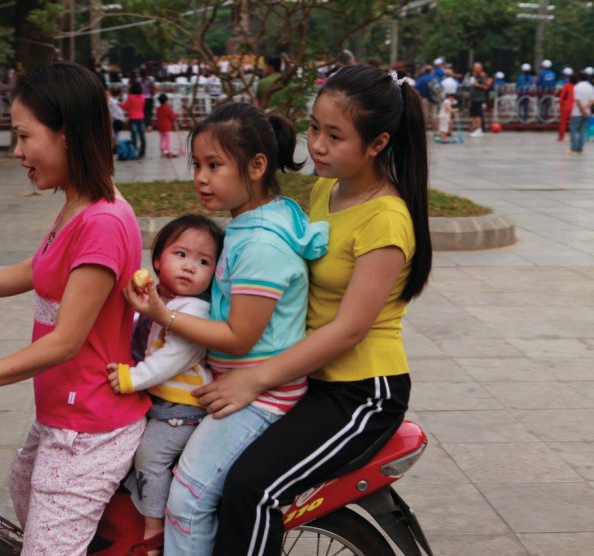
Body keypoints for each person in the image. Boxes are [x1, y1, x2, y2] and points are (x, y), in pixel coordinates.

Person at [192, 64, 432, 556]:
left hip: (359, 394)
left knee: (253, 490)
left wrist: (253, 379)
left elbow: (348, 330)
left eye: (335, 135)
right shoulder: (329, 188)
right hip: (306, 376)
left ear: (377, 143)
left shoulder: (387, 220)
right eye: (314, 128)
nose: (317, 145)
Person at [0, 61, 149, 555]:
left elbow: (66, 342)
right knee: (21, 488)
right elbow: (41, 266)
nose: (17, 151)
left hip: (88, 428)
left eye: (24, 136)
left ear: (67, 134)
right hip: (60, 413)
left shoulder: (102, 221)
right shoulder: (80, 205)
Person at [124, 102, 329, 555]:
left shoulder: (259, 244)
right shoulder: (259, 218)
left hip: (260, 395)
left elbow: (240, 335)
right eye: (197, 164)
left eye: (214, 165)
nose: (200, 177)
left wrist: (164, 316)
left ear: (256, 166)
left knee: (189, 500)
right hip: (239, 382)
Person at [107, 215, 225, 555]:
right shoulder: (161, 299)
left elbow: (171, 358)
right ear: (158, 259)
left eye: (203, 261)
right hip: (158, 404)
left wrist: (132, 378)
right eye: (181, 255)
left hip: (182, 410)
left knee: (149, 458)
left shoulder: (196, 312)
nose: (190, 267)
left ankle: (154, 529)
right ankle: (147, 503)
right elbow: (135, 329)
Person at [569, 72, 593, 156]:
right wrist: (586, 109)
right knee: (583, 131)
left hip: (577, 112)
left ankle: (574, 148)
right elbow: (592, 100)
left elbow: (577, 100)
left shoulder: (577, 87)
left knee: (574, 130)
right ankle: (580, 149)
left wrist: (582, 110)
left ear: (579, 78)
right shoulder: (590, 87)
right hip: (587, 112)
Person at [121, 80, 146, 158]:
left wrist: (119, 104)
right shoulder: (143, 97)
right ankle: (142, 152)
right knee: (142, 135)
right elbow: (143, 106)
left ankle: (134, 152)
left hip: (133, 118)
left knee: (134, 136)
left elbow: (126, 107)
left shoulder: (131, 97)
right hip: (141, 117)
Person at [467, 62, 492, 137]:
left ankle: (479, 129)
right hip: (473, 98)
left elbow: (486, 87)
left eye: (476, 68)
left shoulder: (483, 76)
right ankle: (475, 128)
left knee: (478, 114)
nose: (474, 69)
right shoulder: (474, 76)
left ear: (480, 68)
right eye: (474, 67)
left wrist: (477, 85)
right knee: (474, 114)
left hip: (479, 98)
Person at [155, 93, 178, 157]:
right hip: (167, 127)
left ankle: (162, 151)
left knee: (162, 139)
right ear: (166, 100)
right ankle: (170, 151)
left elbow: (158, 116)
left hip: (160, 127)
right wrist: (176, 115)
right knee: (168, 139)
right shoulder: (167, 108)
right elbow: (172, 117)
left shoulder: (158, 109)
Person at [558, 69, 575, 142]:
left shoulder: (565, 85)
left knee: (563, 123)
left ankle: (561, 137)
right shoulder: (576, 86)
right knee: (573, 124)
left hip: (566, 106)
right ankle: (572, 138)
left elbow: (562, 97)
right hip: (574, 107)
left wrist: (561, 105)